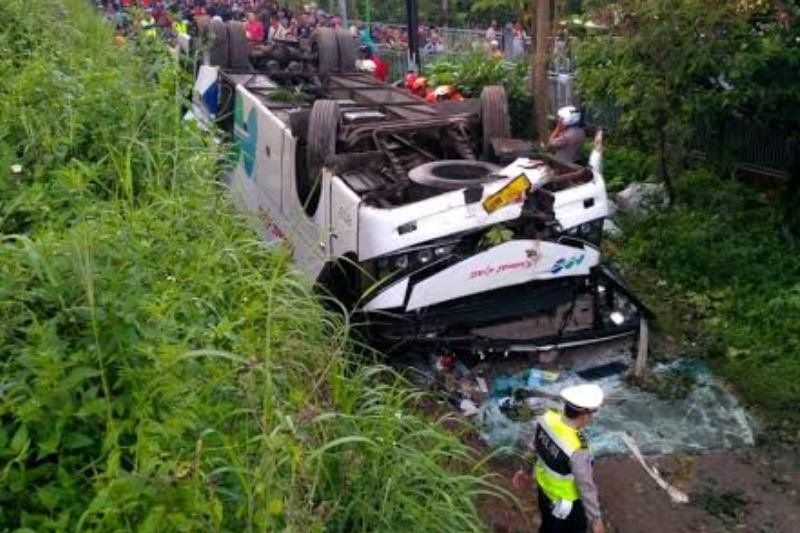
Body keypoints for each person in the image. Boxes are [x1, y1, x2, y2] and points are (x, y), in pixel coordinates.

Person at [513, 384, 606, 533]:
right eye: (593, 413)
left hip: (544, 490)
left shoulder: (547, 418)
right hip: (566, 504)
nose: (592, 418)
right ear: (584, 415)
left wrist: (524, 469)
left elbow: (534, 446)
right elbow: (586, 486)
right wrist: (596, 520)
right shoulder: (578, 449)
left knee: (547, 525)